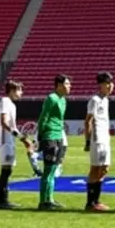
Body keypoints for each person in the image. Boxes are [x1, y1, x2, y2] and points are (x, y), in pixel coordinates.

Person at [0, 80, 30, 209]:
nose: (21, 93)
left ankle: (3, 199)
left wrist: (22, 138)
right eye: (19, 90)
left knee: (8, 170)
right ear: (12, 90)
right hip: (5, 140)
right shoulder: (5, 102)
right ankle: (1, 200)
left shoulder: (12, 105)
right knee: (5, 170)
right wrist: (20, 137)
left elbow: (12, 125)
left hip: (10, 140)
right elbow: (5, 122)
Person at [37, 74, 70, 210]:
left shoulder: (63, 100)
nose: (70, 86)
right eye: (67, 84)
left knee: (54, 169)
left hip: (59, 136)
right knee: (48, 169)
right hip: (50, 136)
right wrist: (40, 135)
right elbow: (43, 117)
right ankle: (43, 201)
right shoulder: (51, 98)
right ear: (59, 85)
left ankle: (49, 198)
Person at [84, 72, 114, 212]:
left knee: (104, 168)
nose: (110, 86)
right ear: (100, 85)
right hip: (97, 139)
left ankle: (96, 200)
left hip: (105, 139)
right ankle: (91, 203)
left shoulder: (106, 100)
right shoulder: (95, 100)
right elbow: (88, 121)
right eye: (107, 83)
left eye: (111, 83)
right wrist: (88, 140)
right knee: (95, 169)